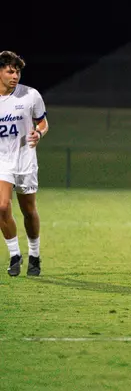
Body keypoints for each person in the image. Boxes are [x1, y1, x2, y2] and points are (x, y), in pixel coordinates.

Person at [0, 51, 49, 277]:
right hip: (2, 161)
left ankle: (35, 255)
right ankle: (14, 255)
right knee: (2, 207)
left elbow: (43, 123)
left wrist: (38, 134)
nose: (15, 75)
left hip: (25, 159)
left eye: (17, 71)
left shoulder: (30, 95)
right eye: (10, 71)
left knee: (28, 211)